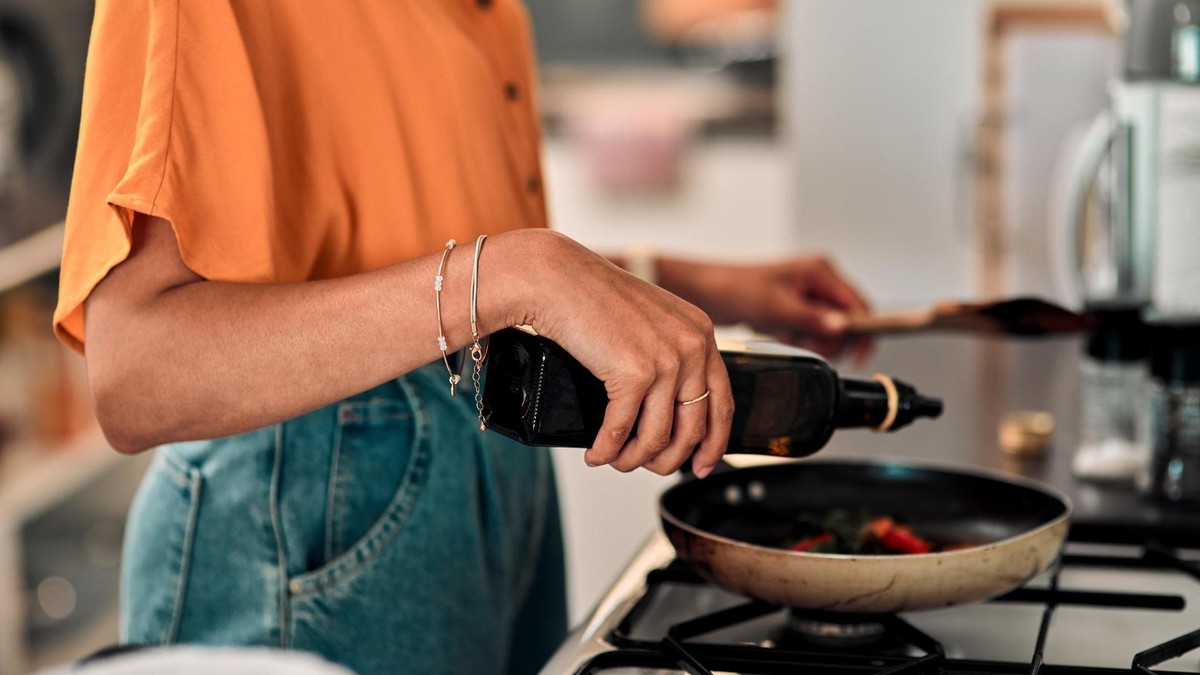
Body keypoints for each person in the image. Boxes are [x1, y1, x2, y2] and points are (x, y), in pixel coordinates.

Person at [53, 2, 870, 674]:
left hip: (491, 481)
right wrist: (520, 274)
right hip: (310, 524)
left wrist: (687, 280)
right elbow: (136, 373)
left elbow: (445, 261)